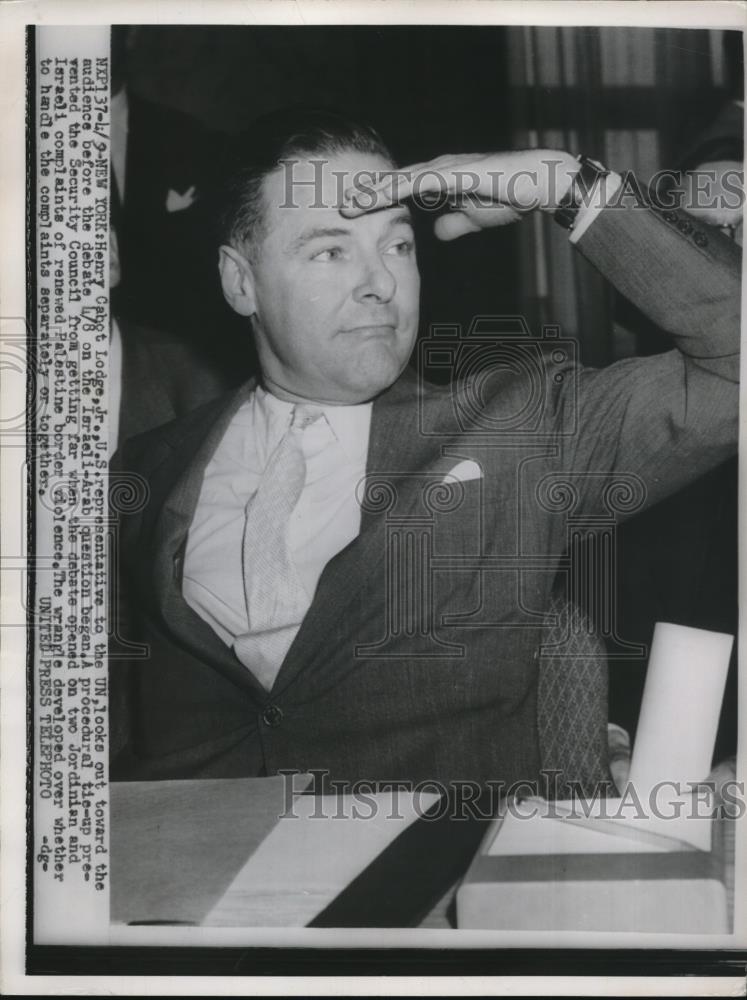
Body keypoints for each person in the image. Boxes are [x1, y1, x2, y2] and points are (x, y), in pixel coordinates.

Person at [109, 109, 740, 788]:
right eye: (330, 250)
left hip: (438, 880)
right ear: (240, 282)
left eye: (397, 245)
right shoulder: (145, 471)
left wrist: (568, 186)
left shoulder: (515, 432)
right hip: (179, 877)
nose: (378, 281)